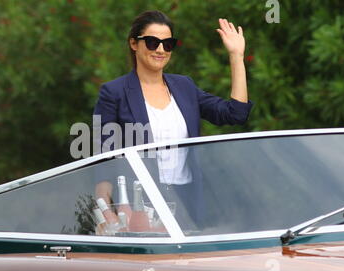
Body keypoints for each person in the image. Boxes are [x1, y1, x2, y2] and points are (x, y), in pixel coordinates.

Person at [93, 10, 253, 230]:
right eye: (152, 42)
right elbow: (103, 158)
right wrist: (106, 211)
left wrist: (236, 57)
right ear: (134, 43)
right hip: (140, 205)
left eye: (167, 44)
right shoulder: (114, 92)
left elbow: (236, 113)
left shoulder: (184, 86)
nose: (160, 49)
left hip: (188, 200)